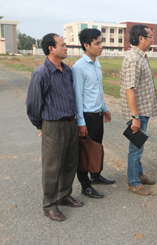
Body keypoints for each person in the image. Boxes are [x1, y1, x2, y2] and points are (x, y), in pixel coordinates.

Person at [26, 33, 83, 221]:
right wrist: (41, 126)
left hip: (70, 123)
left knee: (70, 162)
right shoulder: (41, 73)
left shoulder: (66, 70)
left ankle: (64, 195)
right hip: (53, 126)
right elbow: (33, 105)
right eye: (63, 45)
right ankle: (49, 204)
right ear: (51, 48)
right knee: (52, 167)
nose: (66, 48)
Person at [72, 28, 114, 199]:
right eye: (97, 43)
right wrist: (80, 122)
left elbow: (98, 90)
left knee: (96, 148)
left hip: (97, 115)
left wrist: (105, 108)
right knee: (84, 152)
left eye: (100, 42)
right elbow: (77, 96)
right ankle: (85, 186)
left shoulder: (97, 63)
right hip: (87, 117)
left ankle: (95, 175)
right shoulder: (78, 67)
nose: (101, 46)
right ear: (86, 45)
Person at [120, 24, 157, 195]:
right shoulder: (134, 58)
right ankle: (133, 183)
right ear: (141, 38)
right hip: (137, 112)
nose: (153, 40)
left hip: (142, 110)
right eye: (150, 36)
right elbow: (130, 89)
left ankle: (139, 174)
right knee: (135, 148)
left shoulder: (141, 56)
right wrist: (135, 116)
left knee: (139, 144)